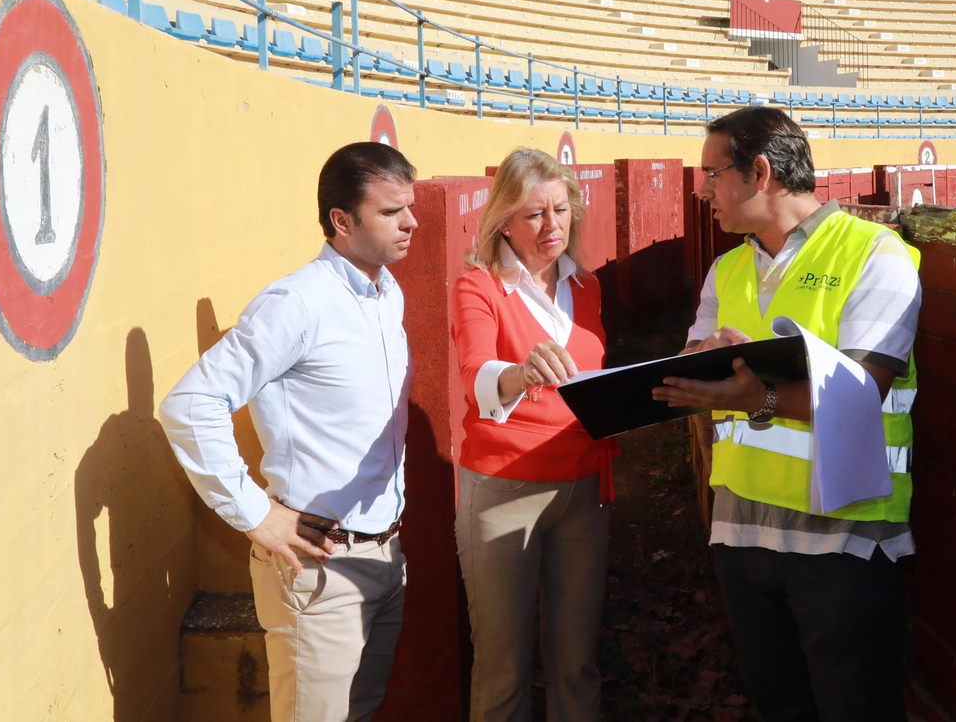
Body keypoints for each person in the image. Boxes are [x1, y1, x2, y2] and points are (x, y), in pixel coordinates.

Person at [653, 106, 921, 722]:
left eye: (711, 175)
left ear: (761, 172)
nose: (702, 191)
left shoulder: (875, 254)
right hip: (742, 534)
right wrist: (701, 364)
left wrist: (755, 398)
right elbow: (693, 363)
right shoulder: (727, 268)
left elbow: (861, 390)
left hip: (845, 539)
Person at [159, 141, 418, 722]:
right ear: (341, 221)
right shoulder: (297, 303)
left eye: (411, 206)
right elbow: (190, 403)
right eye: (391, 211)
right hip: (319, 571)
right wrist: (256, 514)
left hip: (384, 555)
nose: (412, 222)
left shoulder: (385, 291)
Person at [451, 147, 617, 722]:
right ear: (503, 221)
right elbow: (475, 373)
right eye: (534, 215)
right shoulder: (479, 285)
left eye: (561, 209)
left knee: (577, 665)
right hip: (505, 489)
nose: (553, 226)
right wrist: (520, 373)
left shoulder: (588, 286)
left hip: (585, 490)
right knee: (502, 672)